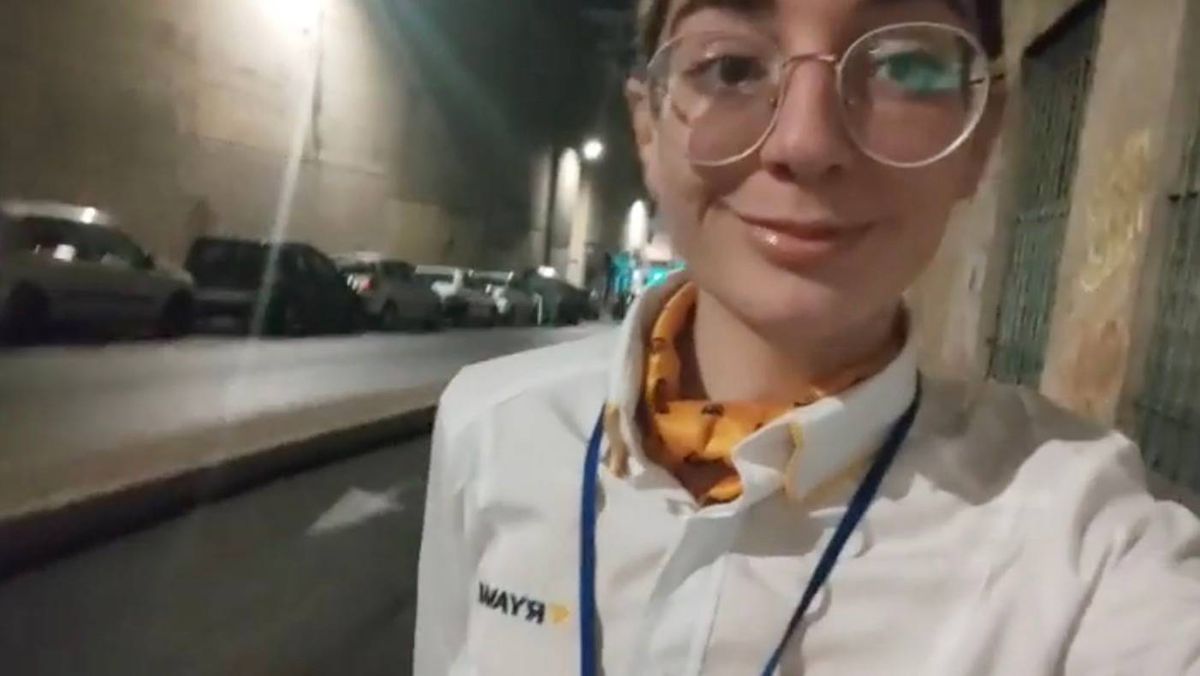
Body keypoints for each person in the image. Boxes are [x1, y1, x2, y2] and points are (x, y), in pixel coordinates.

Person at [415, 0, 1200, 673]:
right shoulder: (493, 428)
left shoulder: (1086, 540)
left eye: (903, 66)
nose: (805, 142)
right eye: (729, 68)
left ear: (980, 138)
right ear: (647, 126)